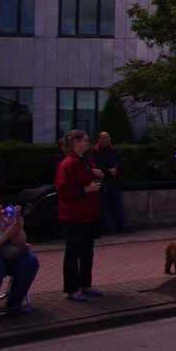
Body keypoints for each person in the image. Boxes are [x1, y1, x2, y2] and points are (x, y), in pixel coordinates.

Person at [55, 129, 104, 301]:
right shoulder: (68, 164)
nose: (88, 142)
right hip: (73, 215)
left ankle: (86, 284)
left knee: (87, 252)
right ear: (76, 142)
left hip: (88, 213)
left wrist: (98, 174)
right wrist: (86, 189)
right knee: (73, 253)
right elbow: (64, 190)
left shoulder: (86, 161)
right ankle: (72, 289)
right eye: (85, 139)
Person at [0, 191, 40, 317]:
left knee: (29, 261)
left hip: (8, 253)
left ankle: (15, 303)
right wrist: (6, 235)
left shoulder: (3, 218)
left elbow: (20, 243)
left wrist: (17, 227)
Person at [88, 131, 130, 235]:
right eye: (105, 137)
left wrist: (116, 169)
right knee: (103, 205)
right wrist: (108, 171)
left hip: (114, 181)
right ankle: (106, 227)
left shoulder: (115, 150)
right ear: (100, 139)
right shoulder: (95, 152)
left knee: (117, 204)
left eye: (108, 137)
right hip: (103, 181)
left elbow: (123, 161)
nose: (108, 139)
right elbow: (95, 165)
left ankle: (122, 225)